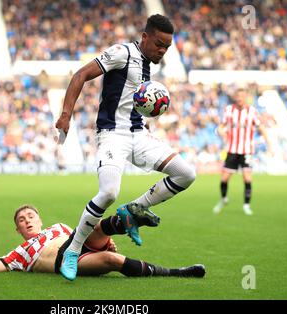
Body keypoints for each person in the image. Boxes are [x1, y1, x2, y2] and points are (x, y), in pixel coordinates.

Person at [55, 14, 197, 281]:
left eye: (167, 47)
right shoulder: (122, 52)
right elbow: (81, 74)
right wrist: (65, 114)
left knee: (186, 173)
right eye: (158, 44)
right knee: (108, 192)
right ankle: (73, 251)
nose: (162, 51)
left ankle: (134, 209)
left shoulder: (147, 64)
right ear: (144, 37)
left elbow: (132, 100)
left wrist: (145, 123)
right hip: (112, 135)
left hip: (138, 135)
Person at [0, 204, 206, 278]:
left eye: (30, 216)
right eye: (21, 220)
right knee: (111, 259)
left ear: (40, 219)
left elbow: (87, 238)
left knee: (91, 228)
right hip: (64, 260)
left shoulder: (58, 226)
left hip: (75, 241)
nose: (26, 220)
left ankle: (124, 219)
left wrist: (105, 241)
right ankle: (176, 273)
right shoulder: (20, 252)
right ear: (18, 229)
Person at [213, 89, 272, 215]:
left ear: (245, 98)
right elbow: (221, 126)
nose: (239, 98)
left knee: (247, 178)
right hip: (232, 149)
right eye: (238, 96)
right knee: (224, 179)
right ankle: (223, 199)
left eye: (242, 96)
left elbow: (261, 128)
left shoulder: (252, 112)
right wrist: (221, 132)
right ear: (235, 97)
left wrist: (270, 146)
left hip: (246, 151)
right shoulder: (229, 110)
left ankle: (246, 205)